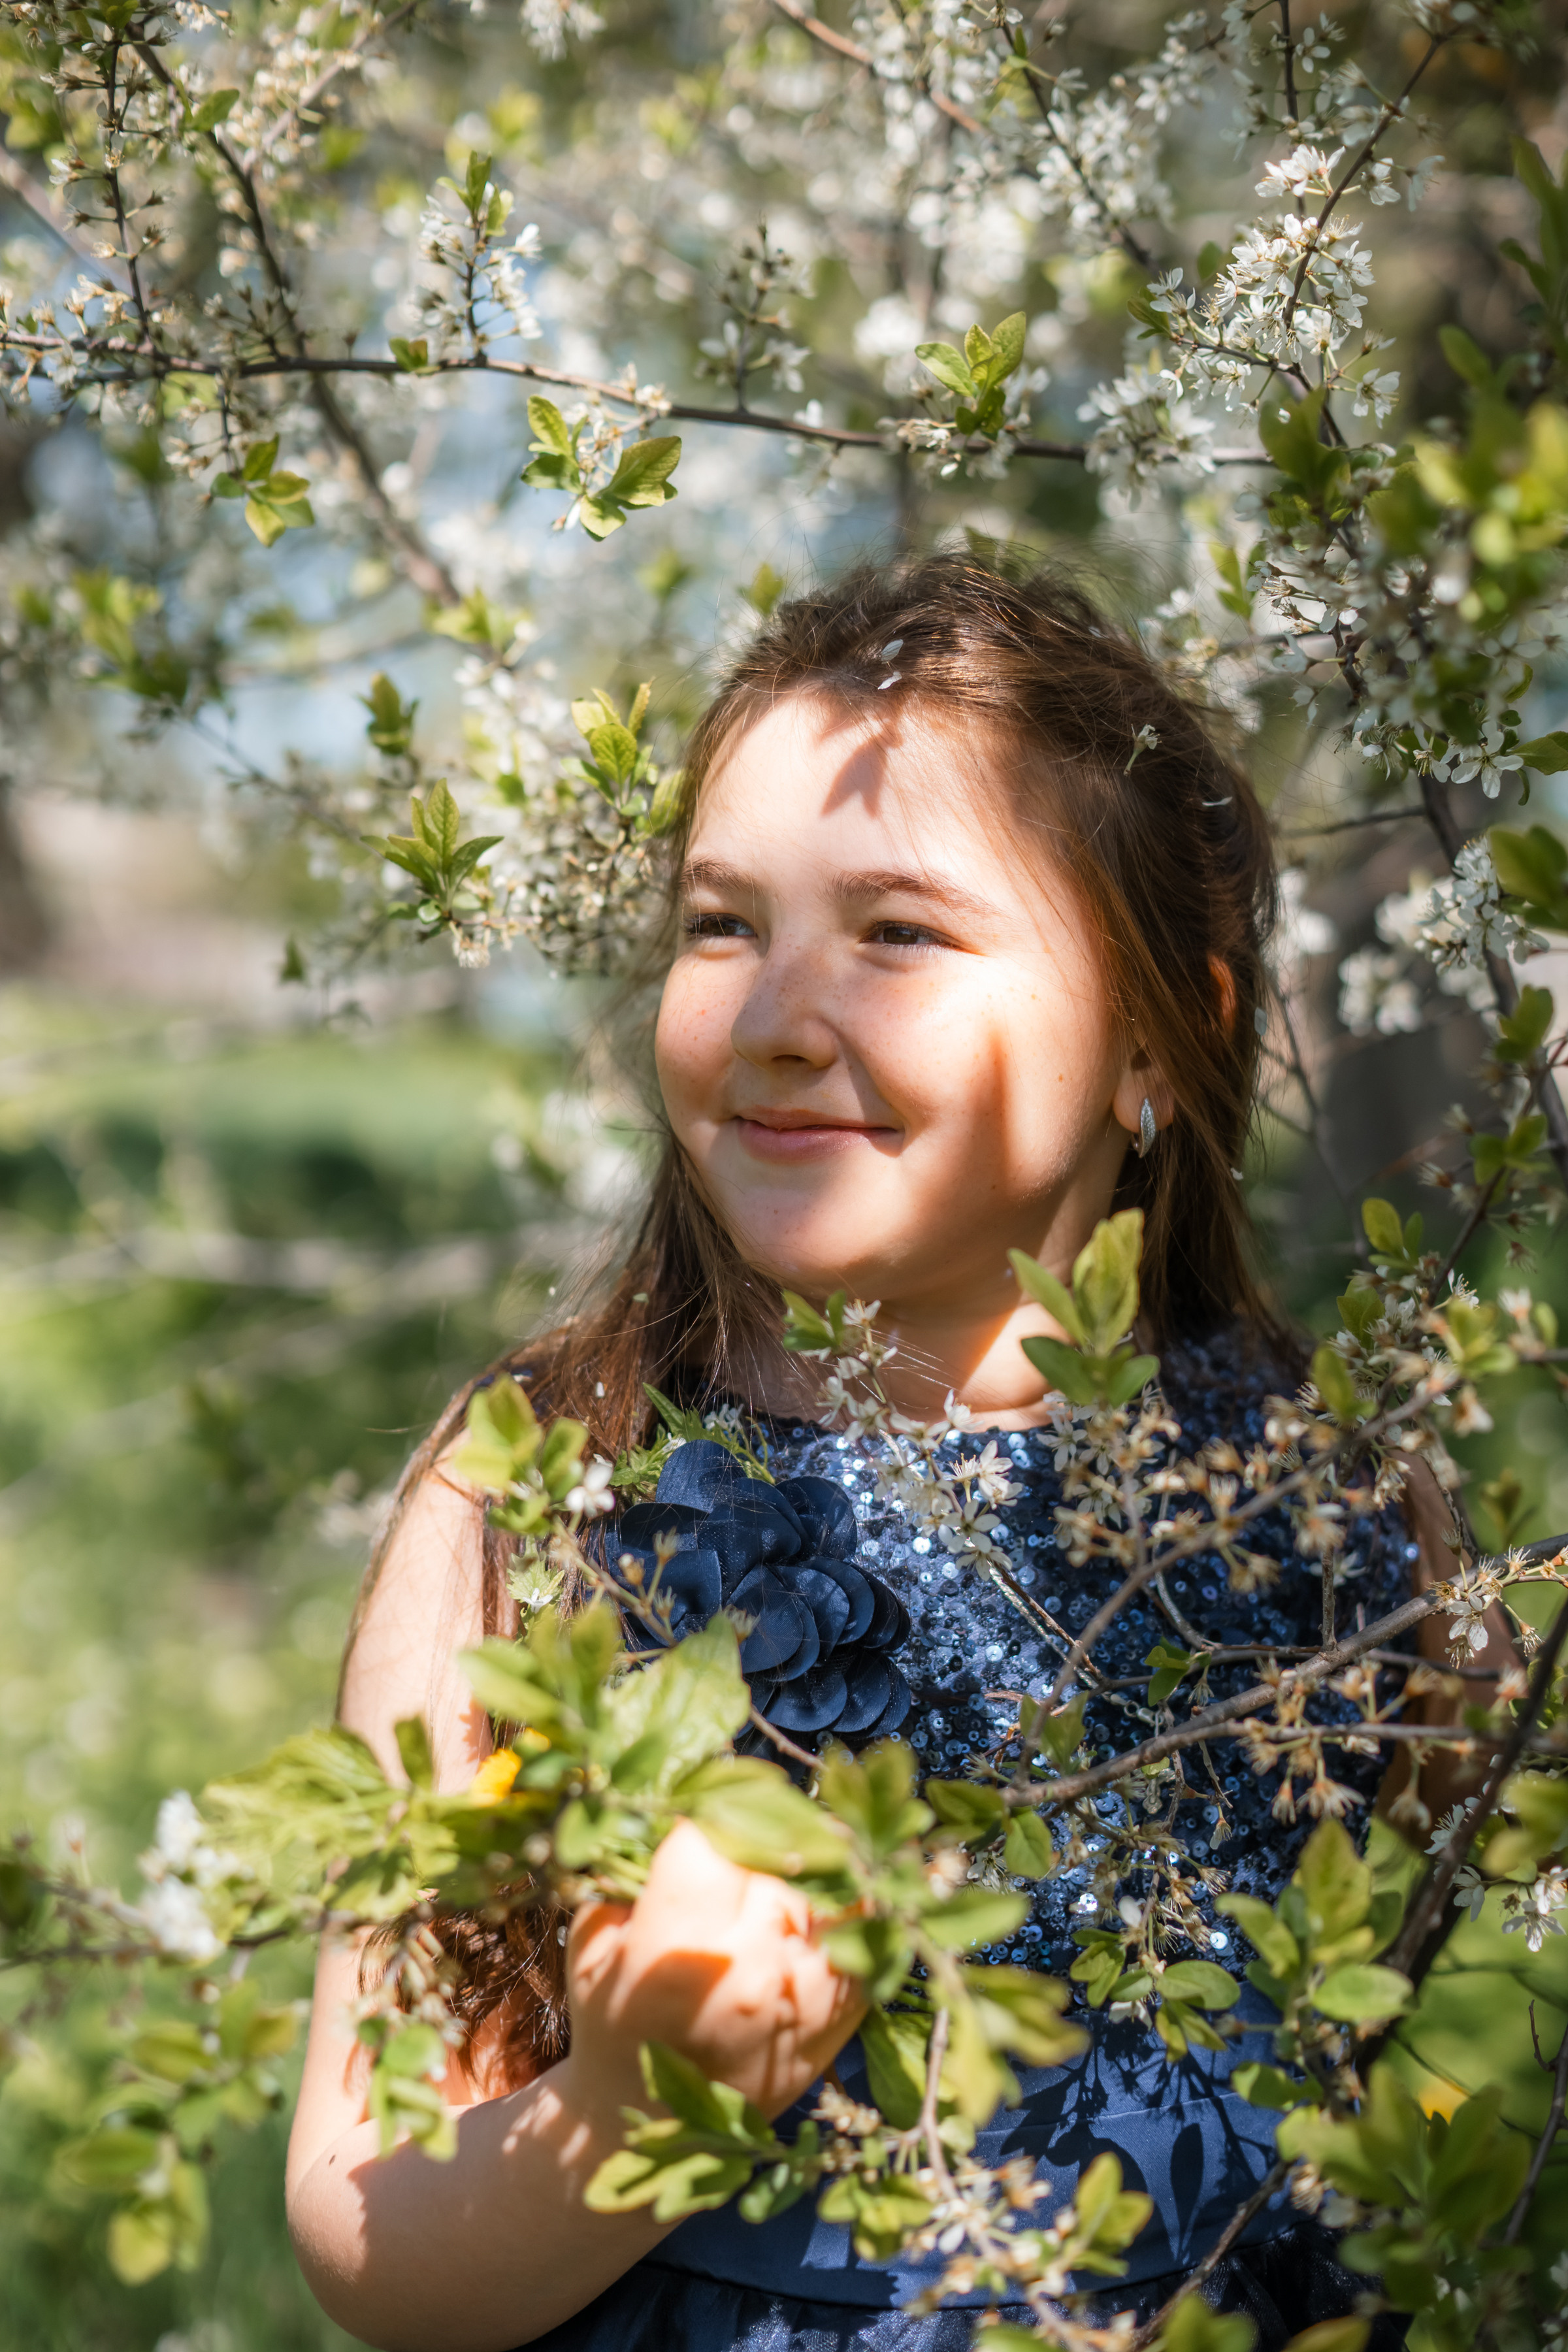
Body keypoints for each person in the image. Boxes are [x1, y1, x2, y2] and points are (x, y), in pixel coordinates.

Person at [284, 556, 1507, 2352]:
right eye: (722, 924)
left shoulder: (1333, 1503)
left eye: (899, 933)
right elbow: (360, 2222)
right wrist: (630, 2106)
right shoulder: (552, 1485)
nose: (780, 1012)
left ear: (1165, 1039)